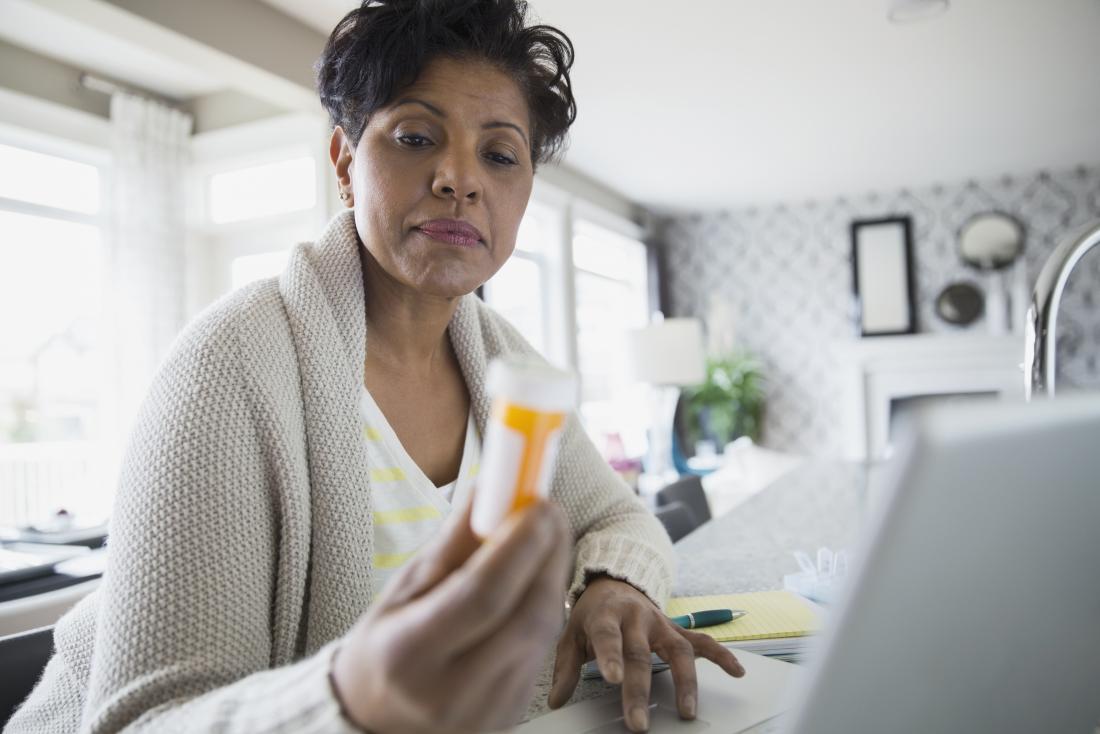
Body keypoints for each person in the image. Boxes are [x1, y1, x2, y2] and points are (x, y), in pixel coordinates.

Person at [5, 1, 743, 732]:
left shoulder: (506, 361)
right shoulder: (227, 368)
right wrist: (354, 697)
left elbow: (618, 515)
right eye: (417, 137)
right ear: (345, 164)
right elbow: (145, 721)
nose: (460, 178)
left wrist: (614, 585)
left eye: (499, 153)